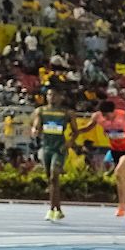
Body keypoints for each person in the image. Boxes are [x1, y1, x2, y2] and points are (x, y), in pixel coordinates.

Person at [97, 97, 125, 225]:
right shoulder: (99, 118)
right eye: (103, 115)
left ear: (113, 112)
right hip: (116, 151)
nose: (105, 118)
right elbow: (88, 127)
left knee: (118, 171)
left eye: (106, 115)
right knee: (123, 177)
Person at [35, 91, 69, 222]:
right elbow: (36, 126)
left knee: (54, 176)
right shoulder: (41, 111)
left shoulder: (66, 113)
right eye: (49, 95)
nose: (51, 97)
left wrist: (69, 143)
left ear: (60, 97)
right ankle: (57, 209)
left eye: (54, 95)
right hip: (46, 148)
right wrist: (34, 130)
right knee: (51, 180)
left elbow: (76, 132)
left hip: (59, 149)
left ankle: (51, 209)